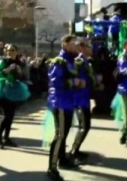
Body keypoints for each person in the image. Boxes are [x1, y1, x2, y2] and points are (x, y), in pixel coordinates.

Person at [45, 35, 80, 181]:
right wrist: (74, 82)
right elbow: (55, 83)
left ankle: (63, 160)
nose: (76, 46)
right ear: (65, 44)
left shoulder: (71, 61)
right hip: (59, 101)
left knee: (64, 134)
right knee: (59, 135)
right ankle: (51, 168)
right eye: (74, 44)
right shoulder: (59, 61)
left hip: (68, 101)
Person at [0, 44, 30, 149]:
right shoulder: (3, 61)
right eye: (8, 50)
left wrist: (19, 72)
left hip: (15, 89)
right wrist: (7, 70)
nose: (10, 52)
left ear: (16, 52)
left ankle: (6, 137)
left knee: (11, 115)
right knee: (7, 115)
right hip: (4, 89)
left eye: (12, 50)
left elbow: (23, 77)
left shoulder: (20, 62)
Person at [69, 39, 96, 163]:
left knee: (85, 126)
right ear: (81, 48)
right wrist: (80, 82)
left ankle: (76, 150)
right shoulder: (78, 61)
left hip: (84, 98)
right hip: (78, 99)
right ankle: (73, 152)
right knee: (84, 126)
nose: (91, 48)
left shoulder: (86, 62)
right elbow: (72, 78)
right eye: (89, 46)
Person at [111, 40, 127, 145]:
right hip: (124, 89)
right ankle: (126, 135)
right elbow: (124, 70)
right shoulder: (123, 57)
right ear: (125, 46)